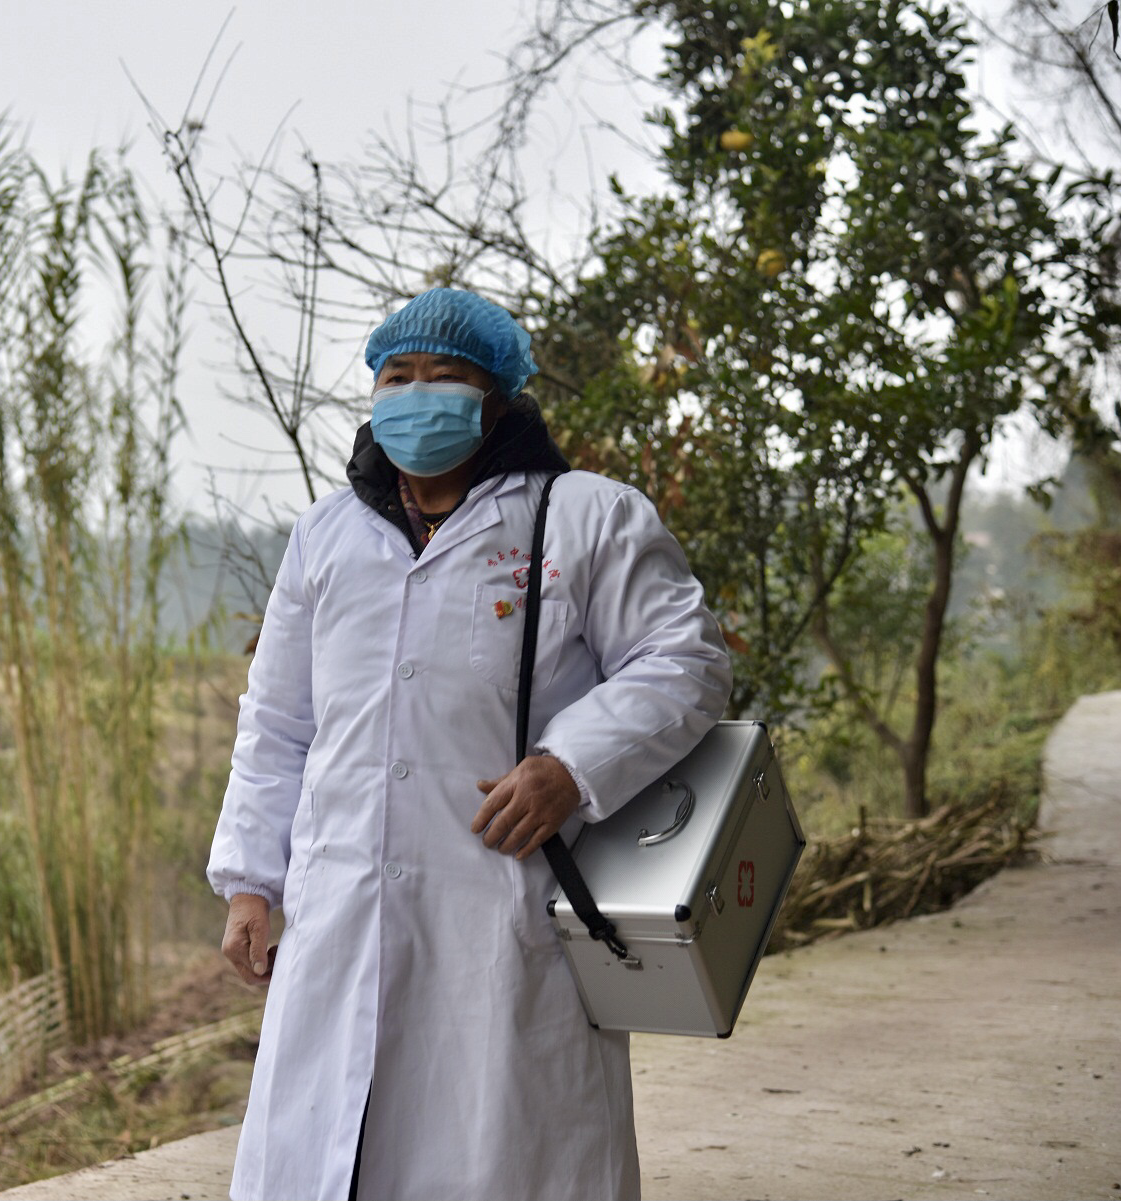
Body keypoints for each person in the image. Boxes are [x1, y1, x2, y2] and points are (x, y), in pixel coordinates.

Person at [206, 288, 732, 1201]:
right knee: (335, 1154)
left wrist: (572, 766)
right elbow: (278, 719)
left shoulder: (584, 516)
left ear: (497, 401)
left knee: (503, 1154)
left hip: (504, 910)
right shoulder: (327, 536)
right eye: (396, 377)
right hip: (343, 905)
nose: (417, 395)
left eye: (444, 377)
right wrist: (253, 880)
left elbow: (684, 659)